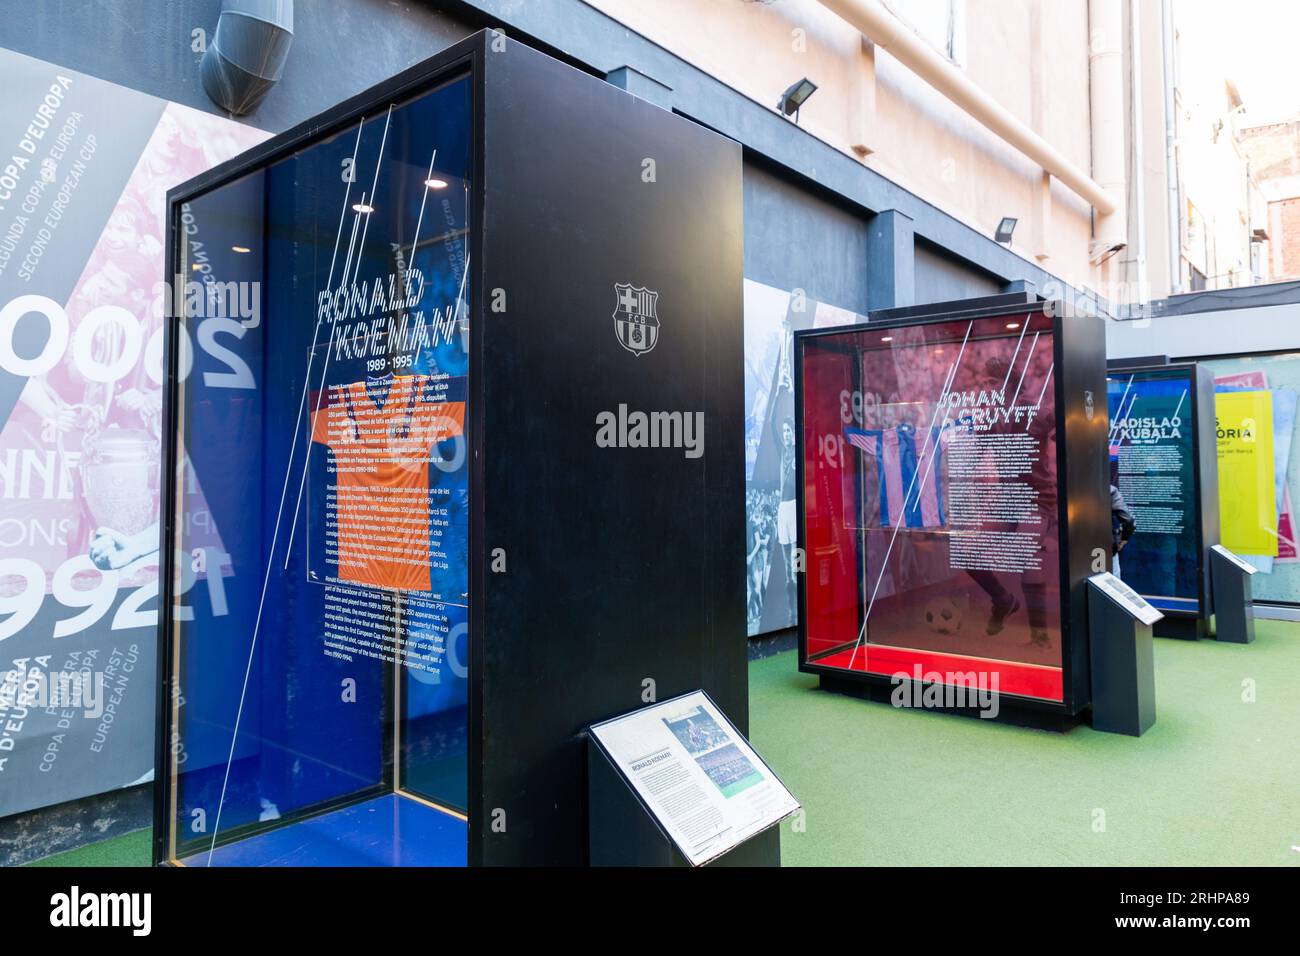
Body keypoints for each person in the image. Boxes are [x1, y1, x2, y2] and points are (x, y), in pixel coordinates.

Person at [1111, 484, 1136, 577]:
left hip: (1078, 551)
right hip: (1106, 548)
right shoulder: (1110, 491)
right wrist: (1124, 538)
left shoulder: (1073, 488)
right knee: (1111, 587)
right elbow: (1128, 520)